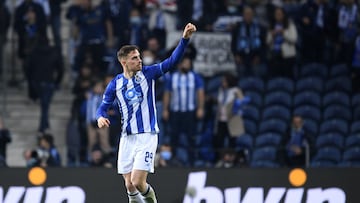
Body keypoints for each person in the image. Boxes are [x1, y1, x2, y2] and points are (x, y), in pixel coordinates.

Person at [96, 23, 197, 203]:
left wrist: (184, 39)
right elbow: (103, 107)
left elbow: (171, 62)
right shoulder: (115, 83)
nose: (140, 60)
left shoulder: (148, 74)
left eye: (139, 56)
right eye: (135, 58)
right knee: (129, 185)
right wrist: (100, 117)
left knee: (137, 181)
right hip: (127, 137)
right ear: (124, 62)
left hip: (146, 135)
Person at [162, 56, 205, 166]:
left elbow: (200, 93)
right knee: (174, 137)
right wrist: (165, 109)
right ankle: (173, 160)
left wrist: (200, 108)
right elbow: (167, 93)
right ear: (180, 64)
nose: (187, 65)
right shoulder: (172, 77)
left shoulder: (195, 77)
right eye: (185, 62)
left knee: (191, 137)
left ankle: (192, 161)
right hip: (175, 112)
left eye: (189, 63)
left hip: (190, 112)